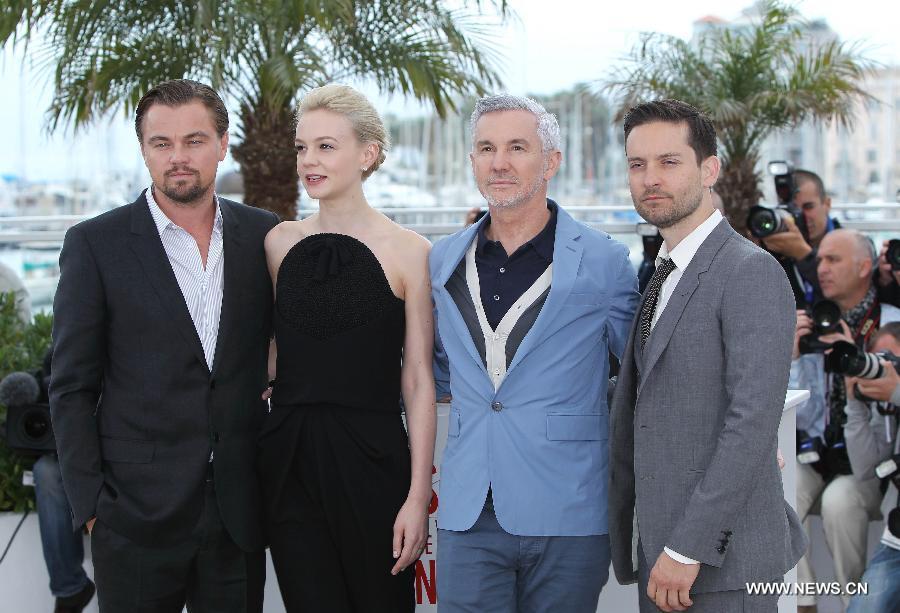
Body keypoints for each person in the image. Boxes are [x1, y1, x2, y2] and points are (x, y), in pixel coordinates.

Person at [50, 79, 278, 612]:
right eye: (162, 143)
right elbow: (71, 387)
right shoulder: (95, 244)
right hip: (132, 520)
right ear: (145, 149)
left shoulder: (264, 236)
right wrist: (91, 507)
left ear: (223, 144)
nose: (179, 157)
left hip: (238, 514)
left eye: (195, 140)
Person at [430, 93, 639, 612]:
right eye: (486, 148)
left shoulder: (605, 260)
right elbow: (433, 367)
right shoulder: (440, 260)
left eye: (516, 147)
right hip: (468, 509)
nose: (499, 162)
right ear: (473, 161)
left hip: (569, 506)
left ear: (551, 162)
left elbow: (642, 376)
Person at [609, 99, 806, 613]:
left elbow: (752, 421)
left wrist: (686, 545)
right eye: (637, 164)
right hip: (661, 553)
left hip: (719, 564)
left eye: (669, 162)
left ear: (709, 168)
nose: (651, 178)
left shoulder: (749, 271)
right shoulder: (663, 269)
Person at [257, 83, 435, 613]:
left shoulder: (410, 251)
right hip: (289, 458)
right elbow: (278, 349)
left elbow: (418, 379)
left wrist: (416, 498)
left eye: (326, 146)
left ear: (368, 154)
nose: (309, 160)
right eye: (302, 148)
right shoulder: (277, 243)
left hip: (373, 458)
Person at [791, 228, 900, 612]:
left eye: (833, 260)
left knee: (839, 502)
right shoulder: (814, 323)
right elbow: (803, 415)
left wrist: (858, 359)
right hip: (819, 452)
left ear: (865, 267)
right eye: (819, 259)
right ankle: (802, 603)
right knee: (781, 486)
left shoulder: (892, 324)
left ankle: (852, 603)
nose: (821, 268)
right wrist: (790, 361)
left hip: (872, 459)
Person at [842, 323, 900, 613]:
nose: (884, 369)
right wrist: (856, 405)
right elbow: (866, 469)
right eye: (880, 360)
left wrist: (898, 392)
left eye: (892, 360)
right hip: (896, 540)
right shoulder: (889, 403)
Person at [761, 169, 840, 309]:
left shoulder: (850, 244)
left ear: (827, 204)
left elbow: (844, 292)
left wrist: (803, 255)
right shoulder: (775, 248)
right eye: (792, 209)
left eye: (808, 207)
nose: (800, 216)